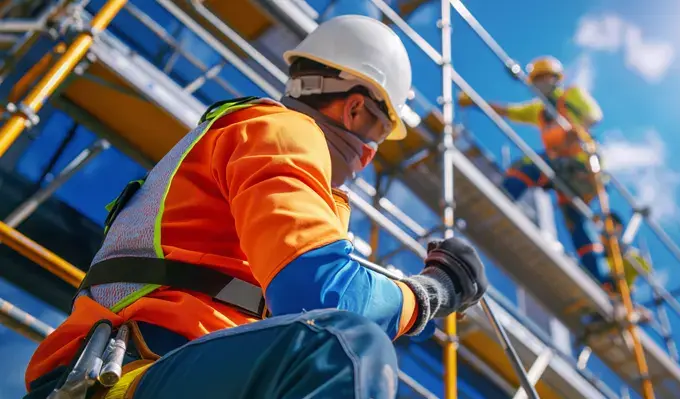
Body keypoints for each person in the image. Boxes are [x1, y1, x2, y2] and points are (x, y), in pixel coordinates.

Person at [25, 15, 488, 399]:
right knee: (343, 348)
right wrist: (430, 294)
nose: (370, 155)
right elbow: (321, 291)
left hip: (140, 373)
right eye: (380, 135)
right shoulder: (285, 131)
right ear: (355, 110)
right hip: (132, 375)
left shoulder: (244, 138)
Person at [458, 55, 607, 287]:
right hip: (560, 171)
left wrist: (576, 130)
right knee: (578, 225)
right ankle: (602, 282)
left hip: (580, 166)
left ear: (555, 79)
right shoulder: (539, 110)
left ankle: (502, 199)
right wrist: (476, 102)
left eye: (543, 78)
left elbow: (593, 116)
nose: (539, 84)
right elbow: (509, 111)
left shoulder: (571, 95)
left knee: (531, 164)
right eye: (536, 80)